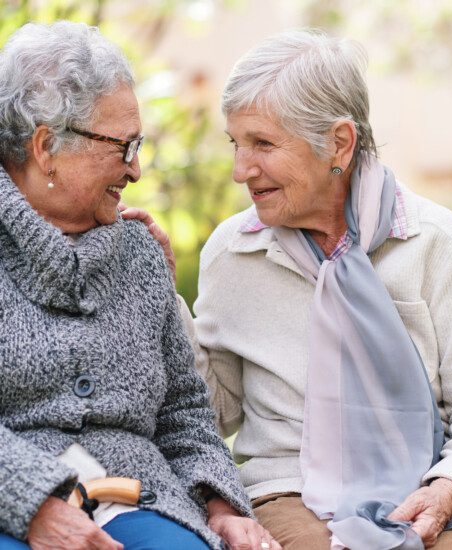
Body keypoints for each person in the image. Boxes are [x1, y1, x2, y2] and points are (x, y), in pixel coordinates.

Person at [126, 30, 452, 550]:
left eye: (263, 144)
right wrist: (162, 296)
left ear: (339, 143)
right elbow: (213, 410)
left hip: (432, 485)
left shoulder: (435, 242)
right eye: (236, 143)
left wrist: (448, 488)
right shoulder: (233, 253)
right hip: (288, 491)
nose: (239, 170)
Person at [0, 21, 280, 550]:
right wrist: (33, 503)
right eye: (123, 146)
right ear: (45, 147)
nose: (136, 169)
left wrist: (223, 507)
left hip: (139, 497)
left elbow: (184, 411)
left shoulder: (138, 254)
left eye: (139, 144)